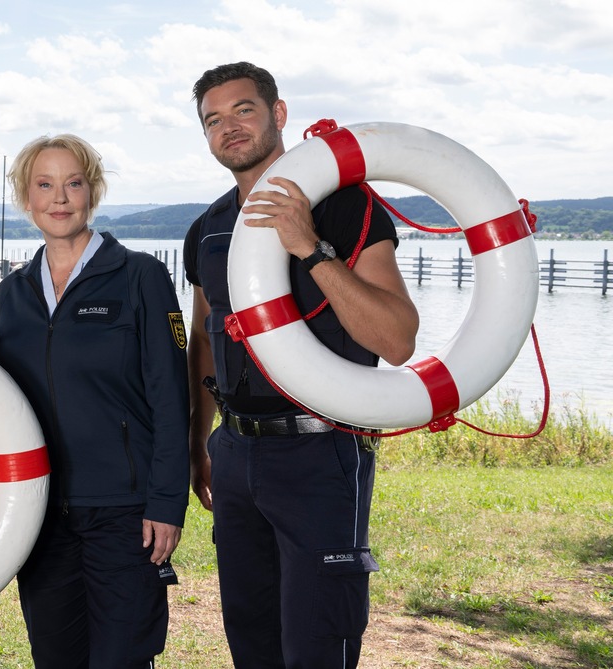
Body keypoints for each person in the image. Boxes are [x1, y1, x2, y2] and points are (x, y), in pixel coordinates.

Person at [183, 62, 419, 668]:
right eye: (213, 120)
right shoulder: (206, 230)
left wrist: (309, 247)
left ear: (278, 114)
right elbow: (205, 341)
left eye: (243, 110)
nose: (230, 127)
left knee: (317, 642)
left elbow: (397, 340)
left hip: (321, 452)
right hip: (234, 453)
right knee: (251, 639)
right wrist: (199, 443)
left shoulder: (344, 206)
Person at [0, 134, 190, 669]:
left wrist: (166, 503)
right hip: (38, 512)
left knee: (122, 658)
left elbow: (172, 400)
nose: (59, 198)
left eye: (73, 183)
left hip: (124, 513)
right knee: (55, 657)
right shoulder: (11, 294)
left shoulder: (140, 276)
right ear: (26, 198)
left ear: (92, 192)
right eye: (44, 185)